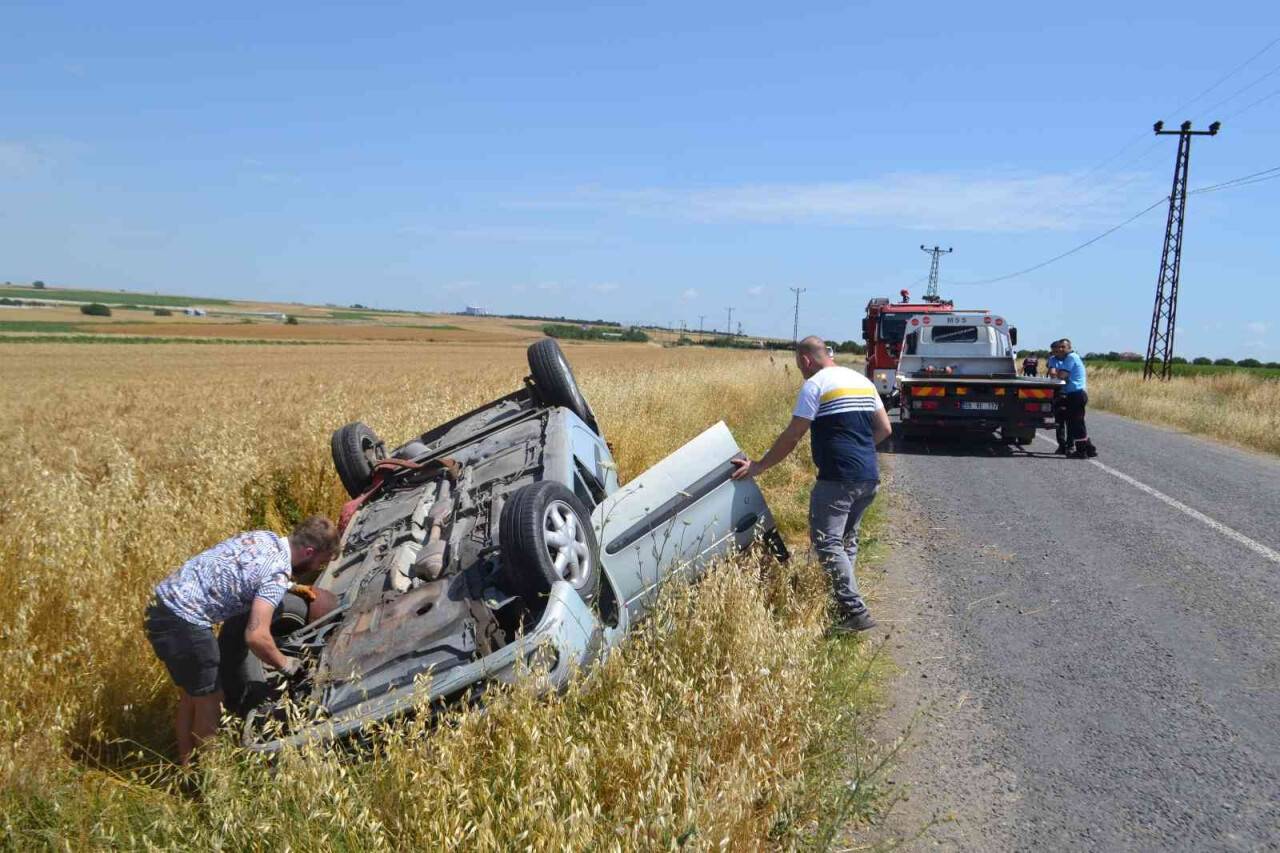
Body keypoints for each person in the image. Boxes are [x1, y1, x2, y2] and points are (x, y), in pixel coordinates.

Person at [143, 516, 340, 765]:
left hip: (162, 603)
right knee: (211, 700)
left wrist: (288, 586)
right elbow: (256, 636)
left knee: (193, 694)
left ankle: (187, 769)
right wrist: (287, 665)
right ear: (308, 552)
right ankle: (214, 779)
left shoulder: (263, 537)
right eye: (319, 563)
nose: (315, 570)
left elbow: (243, 569)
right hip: (183, 620)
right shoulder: (276, 573)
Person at [731, 335, 892, 632]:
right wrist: (859, 451)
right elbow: (884, 428)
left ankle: (855, 611)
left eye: (799, 365)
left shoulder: (815, 385)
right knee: (846, 541)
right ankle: (841, 604)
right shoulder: (862, 382)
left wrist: (759, 466)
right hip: (868, 476)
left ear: (806, 360)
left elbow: (793, 435)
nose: (801, 370)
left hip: (837, 478)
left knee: (828, 542)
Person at [1047, 338, 1096, 459]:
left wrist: (1058, 373)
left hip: (1076, 394)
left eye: (1063, 347)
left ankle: (1082, 451)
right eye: (1059, 347)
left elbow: (1061, 375)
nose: (1060, 349)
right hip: (1074, 394)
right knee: (1076, 422)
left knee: (1076, 423)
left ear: (1069, 347)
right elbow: (1057, 374)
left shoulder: (1071, 358)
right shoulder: (1067, 358)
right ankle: (1087, 448)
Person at [1046, 340, 1069, 453]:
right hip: (1058, 392)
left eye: (1057, 350)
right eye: (1053, 351)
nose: (1055, 352)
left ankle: (1070, 445)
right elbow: (1053, 374)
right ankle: (1062, 445)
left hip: (1070, 392)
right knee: (1059, 421)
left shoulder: (1069, 359)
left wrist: (1060, 374)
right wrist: (1063, 374)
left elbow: (1058, 374)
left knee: (1071, 421)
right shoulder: (1052, 360)